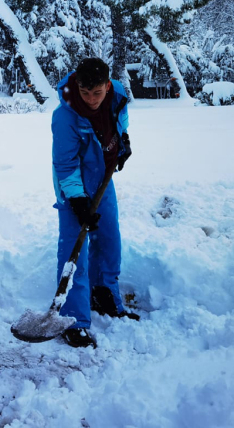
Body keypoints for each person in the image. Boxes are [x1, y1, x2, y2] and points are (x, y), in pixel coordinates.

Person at [51, 57, 139, 349]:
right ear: (77, 84)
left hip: (102, 178)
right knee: (75, 247)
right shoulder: (64, 116)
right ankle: (73, 319)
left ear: (106, 86)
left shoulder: (116, 94)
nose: (90, 99)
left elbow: (120, 116)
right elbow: (65, 165)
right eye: (85, 92)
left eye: (97, 93)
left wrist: (123, 141)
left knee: (109, 237)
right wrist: (77, 201)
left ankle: (103, 293)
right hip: (73, 183)